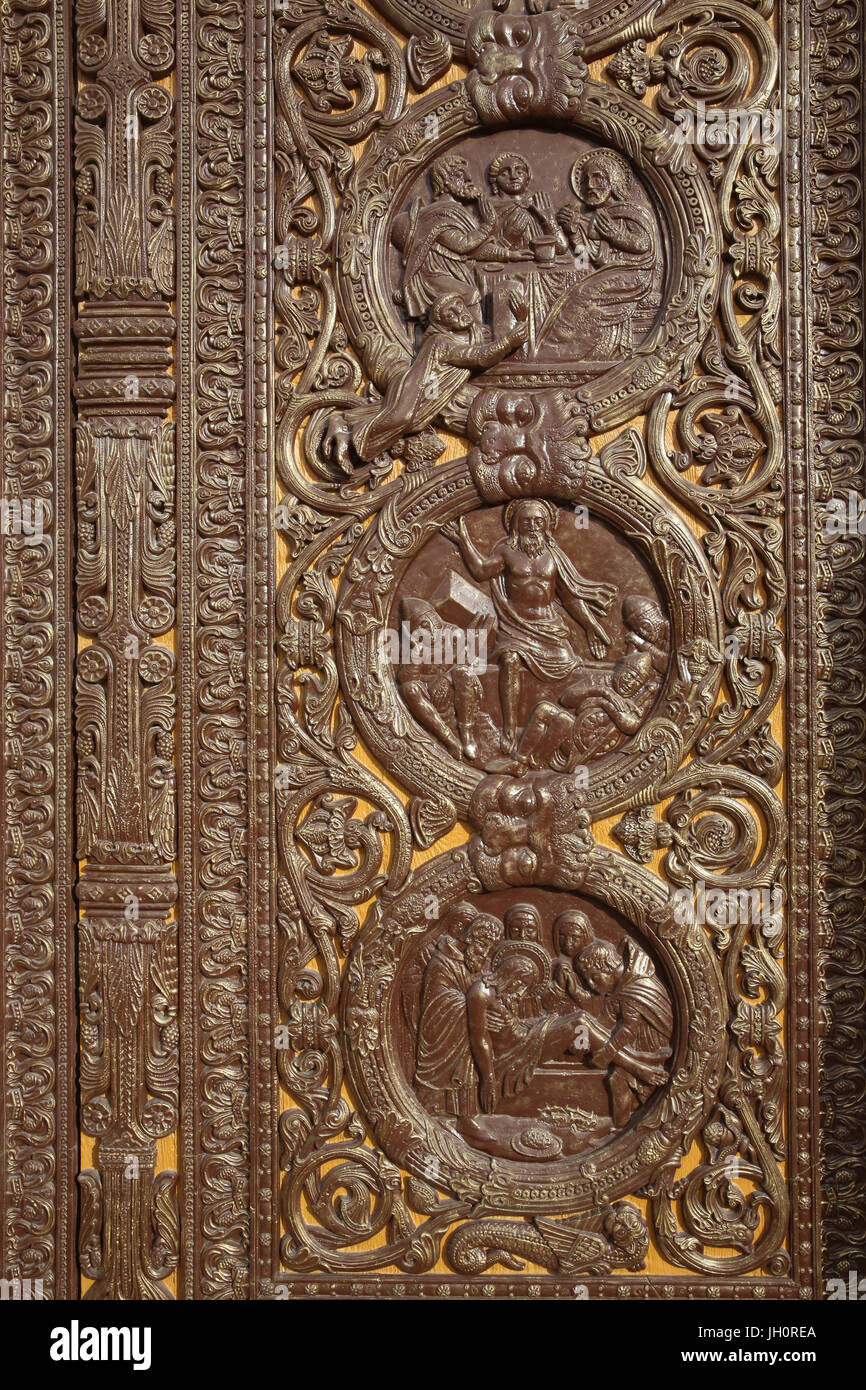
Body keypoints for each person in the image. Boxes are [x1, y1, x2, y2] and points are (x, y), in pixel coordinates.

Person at [444, 498, 615, 755]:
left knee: (572, 664)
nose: (533, 527)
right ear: (516, 526)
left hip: (549, 628)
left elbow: (570, 597)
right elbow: (480, 571)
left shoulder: (554, 556)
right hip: (516, 626)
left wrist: (592, 626)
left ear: (546, 525)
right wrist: (463, 540)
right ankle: (509, 728)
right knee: (510, 660)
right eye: (526, 522)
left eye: (538, 521)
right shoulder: (507, 552)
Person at [326, 290, 528, 465]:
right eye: (451, 314)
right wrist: (509, 341)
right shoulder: (440, 342)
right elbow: (478, 357)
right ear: (444, 324)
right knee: (402, 418)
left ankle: (342, 422)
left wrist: (521, 319)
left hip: (429, 394)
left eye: (459, 305)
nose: (459, 313)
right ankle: (355, 442)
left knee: (400, 417)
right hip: (415, 389)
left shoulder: (473, 334)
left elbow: (495, 339)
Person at [539, 149, 662, 360]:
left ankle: (560, 349)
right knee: (573, 292)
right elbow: (594, 259)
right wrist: (573, 232)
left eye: (597, 177)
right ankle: (555, 348)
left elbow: (644, 245)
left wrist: (617, 235)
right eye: (585, 180)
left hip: (636, 275)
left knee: (583, 292)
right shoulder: (598, 217)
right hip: (613, 272)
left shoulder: (632, 211)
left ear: (613, 180)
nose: (590, 186)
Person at [466, 943, 590, 1114]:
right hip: (517, 1052)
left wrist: (548, 1015)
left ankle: (621, 1058)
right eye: (520, 982)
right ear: (507, 974)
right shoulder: (482, 992)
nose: (521, 992)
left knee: (581, 1019)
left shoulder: (507, 995)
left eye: (526, 986)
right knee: (580, 1022)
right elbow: (479, 1038)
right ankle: (622, 1059)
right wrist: (488, 1079)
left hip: (526, 1037)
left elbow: (520, 1021)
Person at [573, 939, 673, 1128]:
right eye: (587, 981)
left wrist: (607, 1053)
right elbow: (605, 1021)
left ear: (607, 967)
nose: (592, 985)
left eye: (594, 977)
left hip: (651, 1043)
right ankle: (624, 1127)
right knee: (619, 1081)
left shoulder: (632, 989)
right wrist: (582, 1036)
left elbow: (628, 1030)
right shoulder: (620, 988)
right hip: (635, 1044)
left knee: (620, 1081)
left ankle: (623, 1128)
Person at [414, 911, 502, 1117]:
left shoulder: (473, 964)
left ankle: (465, 1118)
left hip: (464, 1039)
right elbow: (439, 1005)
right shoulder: (441, 963)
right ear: (470, 938)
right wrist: (477, 1010)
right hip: (441, 1037)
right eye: (482, 945)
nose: (484, 953)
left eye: (489, 949)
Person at [392, 155, 495, 321]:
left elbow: (475, 249)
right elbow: (462, 244)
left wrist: (511, 255)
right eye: (460, 175)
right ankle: (476, 333)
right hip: (433, 276)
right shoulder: (439, 214)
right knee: (471, 294)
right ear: (445, 180)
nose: (469, 178)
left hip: (455, 271)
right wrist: (488, 225)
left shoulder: (456, 210)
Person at [396, 598, 483, 761]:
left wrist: (447, 678)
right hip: (432, 693)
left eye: (426, 623)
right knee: (410, 689)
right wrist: (416, 651)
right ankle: (449, 739)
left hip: (459, 688)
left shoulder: (454, 634)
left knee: (462, 673)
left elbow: (470, 661)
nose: (425, 630)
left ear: (433, 619)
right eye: (418, 627)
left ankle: (467, 734)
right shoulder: (418, 645)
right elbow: (405, 679)